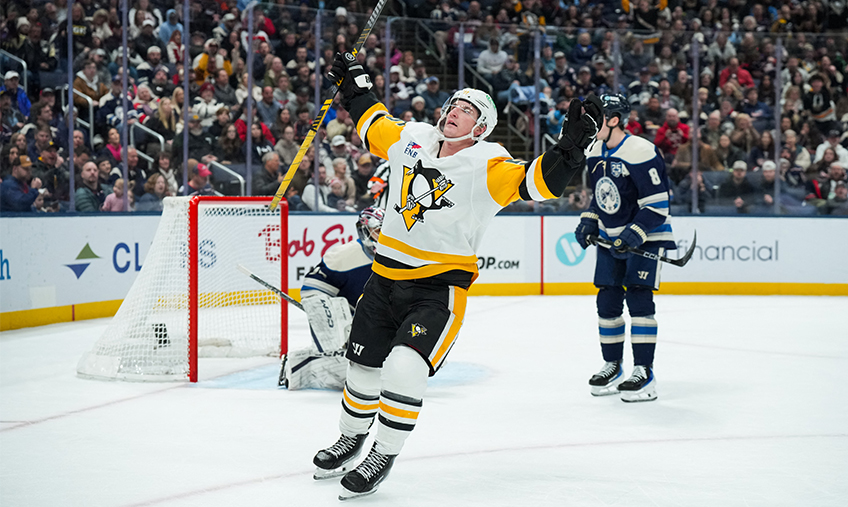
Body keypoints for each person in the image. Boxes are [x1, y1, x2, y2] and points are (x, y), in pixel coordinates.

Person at [312, 52, 597, 500]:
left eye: (467, 110)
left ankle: (382, 454)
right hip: (383, 280)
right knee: (362, 368)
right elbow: (371, 120)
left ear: (480, 128)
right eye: (453, 105)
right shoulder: (413, 138)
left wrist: (571, 147)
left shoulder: (489, 164)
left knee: (404, 368)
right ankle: (351, 438)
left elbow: (540, 183)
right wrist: (353, 81)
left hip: (437, 290)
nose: (454, 112)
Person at [572, 93, 673, 404]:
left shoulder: (641, 151)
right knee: (607, 302)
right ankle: (613, 367)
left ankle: (644, 371)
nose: (590, 122)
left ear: (614, 120)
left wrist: (634, 233)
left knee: (639, 301)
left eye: (596, 117)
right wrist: (589, 220)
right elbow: (601, 196)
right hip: (610, 238)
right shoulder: (595, 150)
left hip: (646, 238)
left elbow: (658, 205)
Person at [279, 207, 385, 390]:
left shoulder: (399, 257)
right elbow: (312, 290)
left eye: (386, 231)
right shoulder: (344, 255)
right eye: (378, 231)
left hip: (370, 317)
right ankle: (300, 366)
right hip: (344, 315)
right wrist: (331, 320)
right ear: (364, 231)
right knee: (345, 366)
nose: (383, 236)